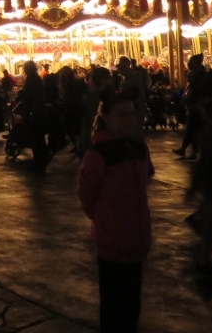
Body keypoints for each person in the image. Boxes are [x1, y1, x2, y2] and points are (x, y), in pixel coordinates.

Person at [78, 88, 153, 333]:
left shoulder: (139, 150)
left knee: (132, 304)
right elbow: (87, 195)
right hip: (112, 239)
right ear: (107, 118)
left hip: (137, 238)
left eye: (132, 114)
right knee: (114, 305)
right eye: (123, 114)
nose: (130, 119)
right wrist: (104, 219)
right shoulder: (98, 155)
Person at [18, 61, 49, 170]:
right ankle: (39, 161)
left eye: (27, 68)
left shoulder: (34, 81)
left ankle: (40, 162)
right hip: (34, 112)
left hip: (35, 114)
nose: (26, 70)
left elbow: (35, 99)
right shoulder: (33, 80)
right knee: (36, 138)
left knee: (37, 139)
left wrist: (31, 113)